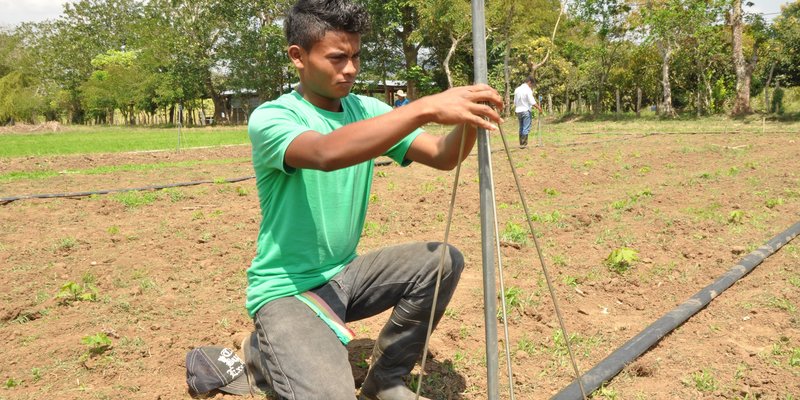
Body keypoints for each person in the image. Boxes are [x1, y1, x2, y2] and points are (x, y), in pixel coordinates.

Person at [245, 0, 503, 399]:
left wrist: (472, 118)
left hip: (344, 276)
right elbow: (325, 153)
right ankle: (265, 349)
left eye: (356, 56)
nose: (349, 69)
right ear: (298, 56)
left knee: (441, 261)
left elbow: (442, 155)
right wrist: (424, 107)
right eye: (336, 58)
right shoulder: (273, 118)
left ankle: (386, 380)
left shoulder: (366, 110)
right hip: (286, 290)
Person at [512, 76, 543, 148]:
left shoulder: (517, 89)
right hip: (525, 110)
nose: (531, 86)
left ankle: (521, 143)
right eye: (531, 84)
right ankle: (524, 144)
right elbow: (532, 101)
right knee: (526, 127)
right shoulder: (528, 90)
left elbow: (515, 102)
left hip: (518, 110)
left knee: (521, 127)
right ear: (529, 82)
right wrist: (539, 108)